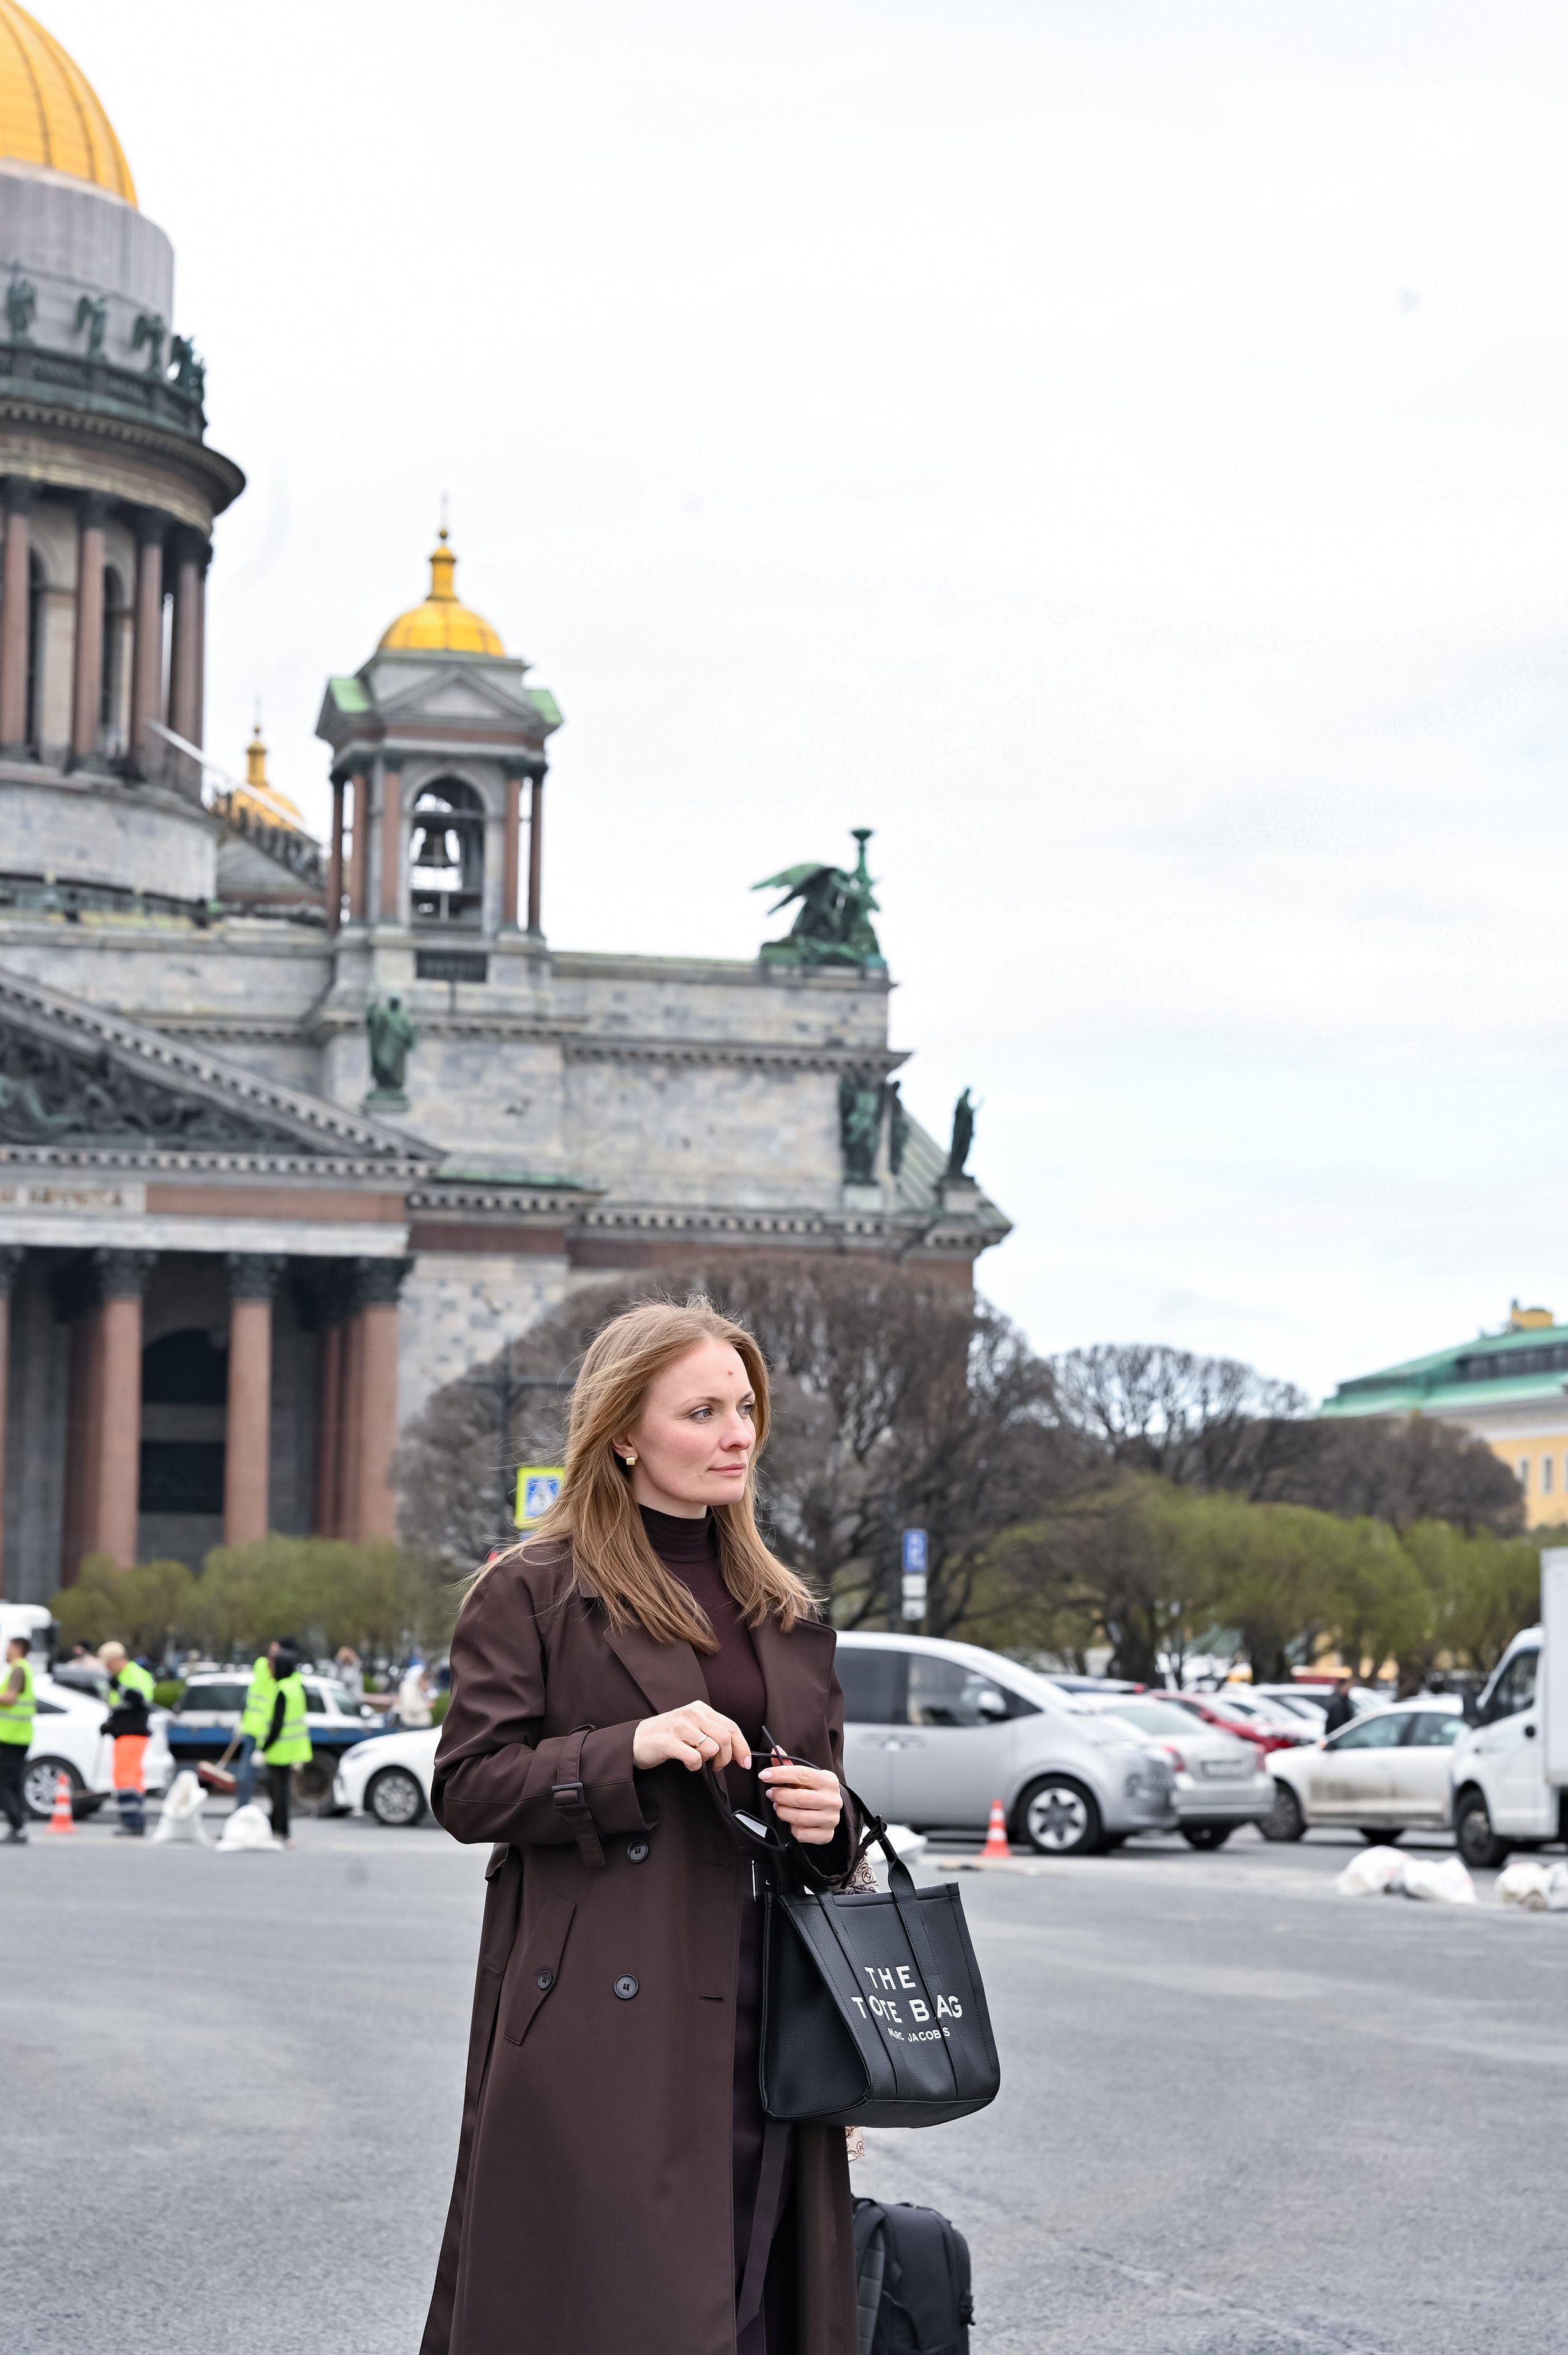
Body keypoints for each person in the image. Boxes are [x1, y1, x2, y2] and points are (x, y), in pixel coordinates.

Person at [421, 1297, 859, 2355]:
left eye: (745, 1406)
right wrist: (628, 1747)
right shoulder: (531, 1588)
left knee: (759, 2289)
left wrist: (830, 1814)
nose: (737, 1433)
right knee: (615, 2304)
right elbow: (469, 1787)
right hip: (602, 2010)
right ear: (624, 1431)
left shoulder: (789, 1610)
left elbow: (822, 1814)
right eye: (702, 1409)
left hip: (771, 2002)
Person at [97, 1642, 155, 1837]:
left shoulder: (134, 1675)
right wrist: (110, 1724)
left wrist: (118, 1687)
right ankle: (135, 1821)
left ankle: (132, 1822)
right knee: (133, 1780)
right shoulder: (124, 1676)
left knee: (125, 1779)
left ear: (116, 1660)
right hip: (127, 1734)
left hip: (132, 1735)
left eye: (108, 1664)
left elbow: (138, 1700)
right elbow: (122, 1708)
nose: (107, 1669)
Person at [258, 1639, 310, 1846]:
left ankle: (282, 1832)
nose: (270, 1669)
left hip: (279, 1751)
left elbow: (277, 1725)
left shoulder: (282, 1690)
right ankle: (278, 1829)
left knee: (278, 1794)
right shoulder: (295, 1687)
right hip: (292, 1750)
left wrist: (263, 1748)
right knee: (281, 1794)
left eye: (272, 1665)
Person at [236, 1640, 283, 1809]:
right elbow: (249, 1697)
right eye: (271, 1654)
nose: (271, 1658)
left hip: (269, 1737)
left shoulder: (280, 1679)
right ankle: (239, 1817)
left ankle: (276, 1820)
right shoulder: (261, 1667)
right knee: (244, 1778)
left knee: (274, 1782)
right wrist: (242, 1720)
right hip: (252, 1732)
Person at [0, 1634, 35, 1842]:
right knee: (11, 1783)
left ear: (18, 1648)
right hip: (16, 1736)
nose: (6, 1650)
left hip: (12, 1737)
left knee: (4, 1784)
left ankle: (18, 1826)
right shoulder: (23, 1668)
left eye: (9, 1647)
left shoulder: (19, 1668)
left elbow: (10, 1698)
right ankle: (18, 1825)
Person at [1322, 1673, 1356, 1737]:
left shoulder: (1343, 1699)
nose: (1350, 1688)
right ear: (1344, 1685)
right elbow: (1338, 1722)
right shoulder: (1337, 1702)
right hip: (1337, 1737)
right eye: (1349, 1685)